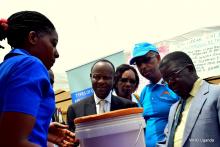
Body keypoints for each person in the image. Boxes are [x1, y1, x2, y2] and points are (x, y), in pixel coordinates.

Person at [0, 11, 75, 147]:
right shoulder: (30, 65)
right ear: (33, 37)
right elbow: (12, 143)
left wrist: (42, 129)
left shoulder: (6, 67)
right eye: (53, 43)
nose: (56, 53)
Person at [158, 51, 220, 147]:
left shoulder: (216, 94)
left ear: (190, 69)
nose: (170, 84)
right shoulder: (174, 108)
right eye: (166, 80)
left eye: (173, 76)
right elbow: (169, 140)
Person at [129, 42, 179, 147]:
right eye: (138, 63)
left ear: (158, 58)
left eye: (146, 60)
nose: (142, 66)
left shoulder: (174, 85)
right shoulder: (144, 92)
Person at [67, 59, 138, 132]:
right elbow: (73, 141)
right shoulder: (75, 110)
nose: (101, 81)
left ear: (114, 79)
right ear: (91, 77)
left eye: (106, 77)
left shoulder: (129, 107)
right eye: (97, 77)